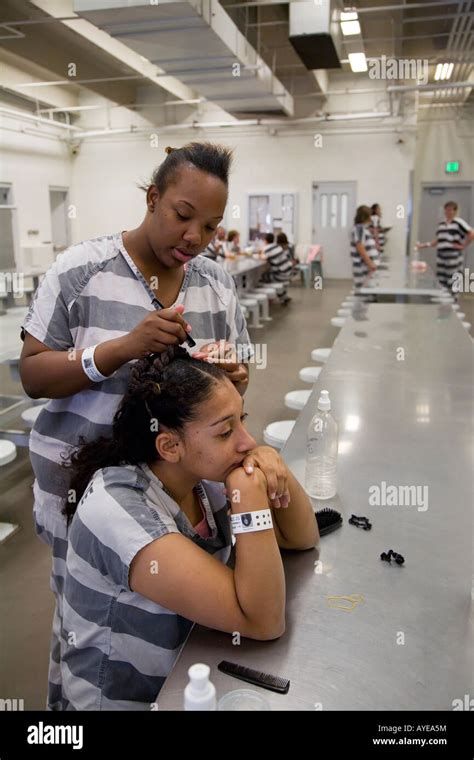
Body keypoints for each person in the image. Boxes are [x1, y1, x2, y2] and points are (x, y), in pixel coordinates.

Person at [18, 141, 254, 707]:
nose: (194, 236)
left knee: (170, 630)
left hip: (177, 495)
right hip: (82, 498)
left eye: (211, 225)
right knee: (90, 627)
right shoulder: (80, 272)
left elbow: (232, 382)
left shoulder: (215, 284)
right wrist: (120, 349)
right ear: (152, 199)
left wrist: (233, 375)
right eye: (182, 215)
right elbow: (32, 374)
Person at [54, 346, 318, 710]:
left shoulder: (201, 475)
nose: (248, 442)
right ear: (169, 446)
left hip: (188, 672)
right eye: (226, 432)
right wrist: (247, 491)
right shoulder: (118, 509)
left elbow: (301, 538)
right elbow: (263, 620)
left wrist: (276, 465)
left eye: (243, 420)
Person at [416, 201, 474, 294]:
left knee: (453, 278)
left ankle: (453, 301)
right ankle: (444, 300)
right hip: (441, 255)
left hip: (453, 256)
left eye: (450, 210)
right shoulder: (442, 224)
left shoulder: (459, 222)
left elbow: (471, 233)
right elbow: (438, 240)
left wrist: (463, 245)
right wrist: (423, 245)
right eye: (446, 210)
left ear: (455, 211)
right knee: (441, 279)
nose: (448, 212)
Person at [350, 205, 378, 289]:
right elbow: (360, 247)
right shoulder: (359, 228)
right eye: (370, 215)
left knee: (367, 291)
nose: (371, 217)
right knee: (363, 291)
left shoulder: (363, 229)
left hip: (366, 267)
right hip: (362, 267)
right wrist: (370, 263)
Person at [261, 233, 293, 305]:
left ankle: (268, 299)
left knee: (261, 278)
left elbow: (262, 258)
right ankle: (283, 297)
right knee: (270, 273)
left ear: (265, 240)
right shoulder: (277, 246)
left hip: (281, 275)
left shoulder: (267, 249)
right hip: (289, 272)